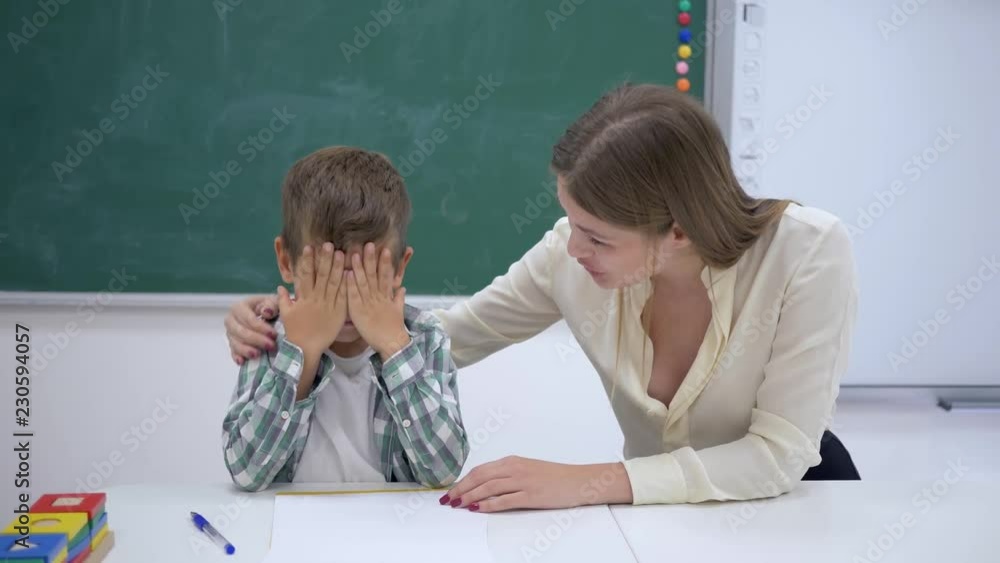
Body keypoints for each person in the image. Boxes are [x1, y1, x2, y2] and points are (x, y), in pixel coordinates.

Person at [223, 83, 860, 511]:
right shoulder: (570, 255)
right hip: (668, 524)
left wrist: (586, 483)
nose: (571, 250)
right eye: (570, 222)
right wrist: (303, 325)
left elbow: (779, 456)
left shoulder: (806, 252)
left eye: (596, 237)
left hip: (791, 510)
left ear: (678, 230)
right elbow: (451, 335)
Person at [221, 146, 469, 492]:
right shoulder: (270, 337)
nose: (347, 296)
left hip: (397, 533)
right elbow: (246, 471)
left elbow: (443, 470)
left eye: (366, 275)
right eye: (328, 275)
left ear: (399, 268)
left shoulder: (424, 338)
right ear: (287, 260)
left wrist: (394, 347)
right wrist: (302, 354)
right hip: (292, 532)